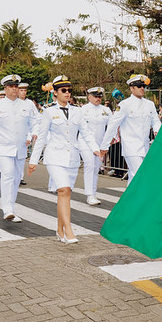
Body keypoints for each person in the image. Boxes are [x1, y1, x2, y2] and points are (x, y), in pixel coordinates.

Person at [28, 76, 100, 243]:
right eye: (63, 90)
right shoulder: (48, 111)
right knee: (63, 190)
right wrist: (33, 161)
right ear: (55, 93)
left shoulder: (77, 111)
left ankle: (60, 229)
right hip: (54, 157)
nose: (67, 93)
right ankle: (69, 230)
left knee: (65, 194)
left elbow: (86, 132)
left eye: (69, 90)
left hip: (72, 158)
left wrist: (95, 148)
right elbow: (42, 136)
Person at [0, 74, 39, 222]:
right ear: (5, 88)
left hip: (20, 147)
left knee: (16, 178)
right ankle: (7, 210)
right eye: (11, 87)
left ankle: (11, 207)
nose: (14, 89)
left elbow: (35, 121)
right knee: (8, 174)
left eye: (16, 87)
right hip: (3, 147)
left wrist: (34, 133)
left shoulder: (27, 105)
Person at [99, 74, 161, 185]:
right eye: (139, 86)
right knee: (139, 174)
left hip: (145, 146)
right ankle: (138, 201)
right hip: (131, 147)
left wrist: (157, 130)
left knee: (134, 176)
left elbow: (155, 121)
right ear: (131, 88)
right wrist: (104, 146)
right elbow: (113, 125)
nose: (142, 88)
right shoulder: (124, 105)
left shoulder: (149, 104)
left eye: (143, 86)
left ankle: (128, 201)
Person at [79, 87, 112, 205]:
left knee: (96, 168)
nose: (98, 99)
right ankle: (89, 195)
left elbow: (111, 126)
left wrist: (109, 141)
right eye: (96, 96)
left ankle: (93, 192)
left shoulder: (106, 110)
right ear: (89, 97)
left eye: (100, 96)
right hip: (85, 142)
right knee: (90, 165)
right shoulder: (83, 110)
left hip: (99, 144)